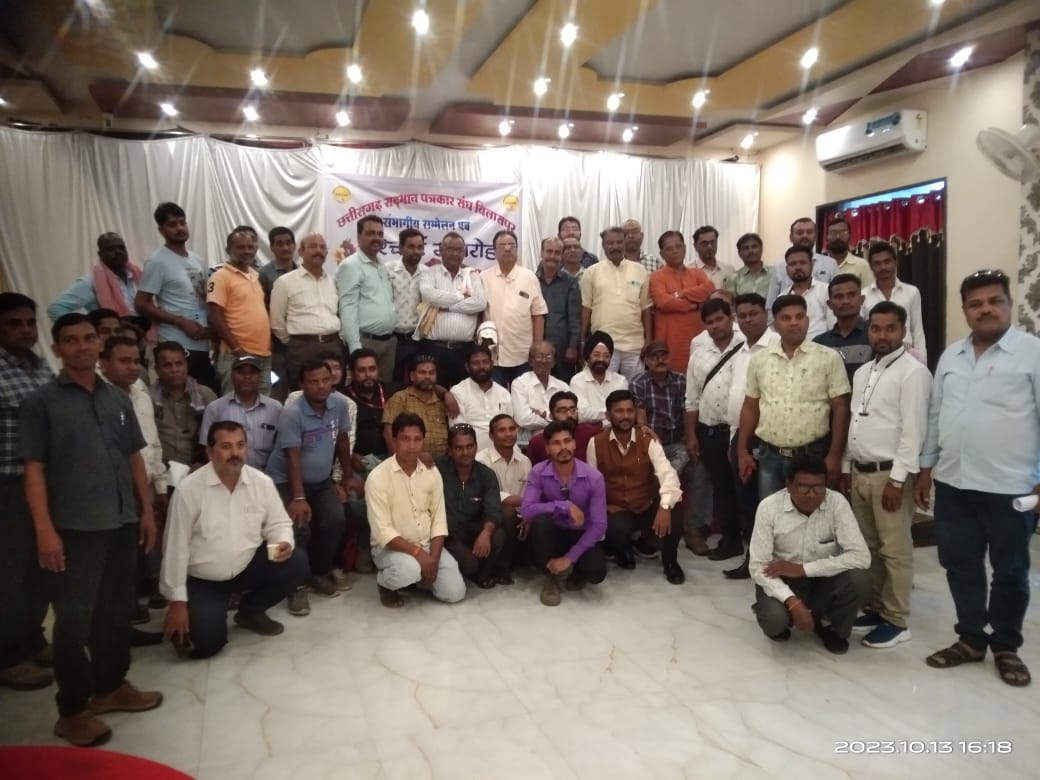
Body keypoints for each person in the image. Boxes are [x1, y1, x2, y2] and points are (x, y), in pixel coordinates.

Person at [20, 313, 161, 747]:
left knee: (115, 611)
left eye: (88, 338)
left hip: (121, 521)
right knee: (74, 621)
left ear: (99, 344)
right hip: (75, 528)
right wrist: (44, 531)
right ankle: (73, 709)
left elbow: (134, 457)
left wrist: (146, 511)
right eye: (71, 340)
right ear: (57, 348)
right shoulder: (41, 403)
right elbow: (34, 470)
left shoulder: (117, 398)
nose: (82, 346)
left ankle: (111, 687)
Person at [916, 269, 1040, 687]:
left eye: (994, 301)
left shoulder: (1032, 353)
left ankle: (1005, 645)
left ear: (1009, 303)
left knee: (1011, 570)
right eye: (975, 304)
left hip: (1012, 487)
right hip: (954, 484)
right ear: (965, 310)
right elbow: (936, 415)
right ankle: (970, 639)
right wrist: (926, 468)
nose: (985, 309)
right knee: (960, 565)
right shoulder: (952, 356)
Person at [160, 422, 308, 658]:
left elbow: (279, 523)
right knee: (207, 644)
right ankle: (200, 613)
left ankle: (250, 611)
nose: (235, 453)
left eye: (240, 445)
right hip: (204, 579)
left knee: (297, 562)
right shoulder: (189, 490)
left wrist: (283, 541)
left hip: (245, 565)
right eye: (226, 447)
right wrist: (176, 602)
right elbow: (174, 548)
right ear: (210, 452)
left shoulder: (261, 482)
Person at [842, 302, 931, 649]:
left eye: (890, 328)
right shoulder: (864, 371)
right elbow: (855, 422)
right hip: (861, 472)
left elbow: (913, 432)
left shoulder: (913, 373)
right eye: (875, 328)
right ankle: (878, 608)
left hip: (889, 476)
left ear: (903, 330)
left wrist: (897, 480)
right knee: (870, 548)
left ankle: (897, 619)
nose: (882, 335)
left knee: (895, 550)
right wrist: (847, 468)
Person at [749, 454, 870, 654]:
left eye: (819, 487)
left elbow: (861, 557)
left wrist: (804, 569)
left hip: (823, 579)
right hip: (783, 578)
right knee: (775, 621)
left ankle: (831, 627)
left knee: (860, 579)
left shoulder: (837, 502)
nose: (812, 494)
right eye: (804, 487)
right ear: (788, 486)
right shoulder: (769, 508)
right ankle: (778, 612)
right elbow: (758, 567)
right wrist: (792, 602)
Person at [265, 360, 359, 616]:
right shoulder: (292, 414)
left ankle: (317, 572)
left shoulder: (339, 404)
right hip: (286, 481)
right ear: (302, 384)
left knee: (336, 519)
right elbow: (292, 457)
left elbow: (342, 441)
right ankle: (295, 585)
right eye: (314, 382)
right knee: (299, 526)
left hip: (321, 481)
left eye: (325, 380)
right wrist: (298, 497)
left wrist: (347, 477)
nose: (321, 386)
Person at [737, 295, 851, 500]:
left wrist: (835, 456)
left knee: (813, 514)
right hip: (770, 457)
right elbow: (750, 407)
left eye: (799, 316)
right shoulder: (760, 360)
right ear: (775, 324)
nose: (793, 322)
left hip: (813, 456)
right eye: (786, 318)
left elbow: (841, 409)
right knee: (772, 514)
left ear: (807, 320)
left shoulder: (828, 358)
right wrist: (742, 451)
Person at [0, 293, 54, 691]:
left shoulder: (41, 368)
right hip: (7, 484)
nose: (25, 330)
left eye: (30, 322)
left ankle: (32, 638)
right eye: (14, 323)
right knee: (9, 573)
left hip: (45, 483)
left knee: (41, 568)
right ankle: (8, 656)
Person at [365, 413, 466, 608]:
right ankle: (386, 584)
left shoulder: (431, 472)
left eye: (417, 439)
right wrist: (419, 555)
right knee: (408, 569)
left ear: (423, 440)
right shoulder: (378, 477)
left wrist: (433, 559)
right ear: (394, 440)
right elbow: (383, 531)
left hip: (427, 544)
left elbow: (439, 519)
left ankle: (417, 577)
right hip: (391, 548)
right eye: (405, 439)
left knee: (455, 593)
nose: (412, 446)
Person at [587, 391, 685, 584]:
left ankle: (670, 561)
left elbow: (668, 475)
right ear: (608, 415)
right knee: (616, 529)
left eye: (629, 411)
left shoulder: (648, 439)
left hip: (645, 504)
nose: (625, 416)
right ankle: (622, 549)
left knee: (674, 505)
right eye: (619, 411)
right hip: (617, 509)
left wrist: (665, 507)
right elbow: (592, 485)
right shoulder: (595, 443)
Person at [521, 421, 608, 606]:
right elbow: (526, 510)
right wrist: (563, 506)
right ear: (547, 448)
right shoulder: (538, 472)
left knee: (596, 572)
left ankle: (576, 569)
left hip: (581, 534)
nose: (563, 448)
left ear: (574, 444)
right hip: (554, 533)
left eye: (567, 441)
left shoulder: (594, 477)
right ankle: (549, 578)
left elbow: (600, 525)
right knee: (540, 522)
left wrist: (569, 558)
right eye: (556, 443)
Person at [724, 293, 780, 579]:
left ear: (765, 314)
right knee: (746, 502)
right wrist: (735, 441)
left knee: (767, 504)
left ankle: (769, 563)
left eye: (753, 314)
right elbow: (739, 397)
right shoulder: (740, 350)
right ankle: (753, 559)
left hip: (767, 437)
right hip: (742, 436)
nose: (747, 320)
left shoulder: (777, 346)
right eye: (742, 315)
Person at [684, 300, 745, 562]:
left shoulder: (747, 348)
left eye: (720, 319)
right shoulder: (699, 354)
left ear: (731, 318)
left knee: (744, 486)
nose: (715, 325)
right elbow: (692, 399)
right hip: (710, 431)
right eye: (709, 322)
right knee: (721, 487)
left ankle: (751, 539)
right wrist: (691, 435)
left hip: (741, 431)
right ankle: (730, 539)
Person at [135, 202, 218, 393]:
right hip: (176, 344)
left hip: (202, 342)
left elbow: (202, 298)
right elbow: (141, 304)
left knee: (207, 396)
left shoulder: (197, 259)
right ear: (161, 230)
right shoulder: (157, 261)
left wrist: (212, 331)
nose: (180, 228)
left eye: (182, 222)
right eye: (172, 224)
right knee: (180, 397)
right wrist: (180, 321)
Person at [436, 424, 513, 588]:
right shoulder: (438, 468)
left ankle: (483, 574)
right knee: (470, 565)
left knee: (497, 534)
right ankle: (471, 569)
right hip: (447, 533)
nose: (465, 452)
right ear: (450, 450)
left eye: (469, 446)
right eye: (459, 448)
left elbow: (493, 509)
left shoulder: (486, 474)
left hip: (471, 527)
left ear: (476, 446)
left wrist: (486, 532)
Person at [269, 232, 343, 396]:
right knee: (302, 395)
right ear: (301, 252)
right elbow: (276, 322)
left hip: (333, 345)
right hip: (302, 347)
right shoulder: (285, 282)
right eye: (313, 246)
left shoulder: (333, 281)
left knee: (333, 394)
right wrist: (294, 343)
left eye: (322, 247)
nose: (318, 251)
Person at [579, 226, 651, 380]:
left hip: (634, 345)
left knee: (634, 389)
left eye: (619, 242)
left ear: (625, 243)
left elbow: (646, 309)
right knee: (603, 387)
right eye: (610, 243)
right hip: (603, 345)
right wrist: (582, 340)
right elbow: (586, 308)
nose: (615, 246)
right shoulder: (591, 272)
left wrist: (648, 340)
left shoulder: (640, 270)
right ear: (603, 245)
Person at [416, 231, 486, 389]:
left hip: (464, 350)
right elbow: (430, 295)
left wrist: (447, 306)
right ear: (440, 250)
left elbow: (480, 303)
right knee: (432, 393)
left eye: (459, 249)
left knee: (463, 395)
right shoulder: (429, 272)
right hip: (434, 348)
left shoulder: (472, 275)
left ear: (464, 252)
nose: (454, 253)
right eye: (450, 249)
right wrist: (463, 297)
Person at [207, 228, 272, 394]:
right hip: (235, 354)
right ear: (228, 249)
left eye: (250, 247)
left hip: (263, 355)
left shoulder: (256, 276)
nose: (246, 251)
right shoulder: (220, 276)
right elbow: (215, 316)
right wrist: (237, 350)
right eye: (240, 247)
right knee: (234, 404)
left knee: (264, 404)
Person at [483, 230, 548, 386]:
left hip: (522, 353)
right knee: (496, 396)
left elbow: (538, 314)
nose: (507, 248)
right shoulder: (484, 277)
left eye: (511, 245)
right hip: (492, 353)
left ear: (517, 249)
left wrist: (537, 347)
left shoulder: (529, 277)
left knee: (523, 395)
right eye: (502, 245)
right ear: (494, 250)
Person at [337, 215, 397, 381]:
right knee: (362, 390)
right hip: (366, 343)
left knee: (384, 391)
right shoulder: (351, 265)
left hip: (388, 342)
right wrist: (356, 349)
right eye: (371, 233)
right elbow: (347, 308)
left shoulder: (381, 265)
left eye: (379, 233)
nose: (376, 237)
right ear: (359, 237)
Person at [199, 355, 283, 470]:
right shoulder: (215, 408)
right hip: (226, 474)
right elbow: (207, 448)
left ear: (260, 376)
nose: (247, 377)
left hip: (265, 476)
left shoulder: (276, 409)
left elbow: (281, 450)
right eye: (241, 372)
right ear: (232, 376)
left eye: (252, 373)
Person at [649, 230, 715, 373]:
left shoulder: (697, 273)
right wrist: (696, 305)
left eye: (678, 246)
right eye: (669, 248)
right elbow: (664, 302)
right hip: (670, 341)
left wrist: (682, 293)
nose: (675, 251)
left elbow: (709, 288)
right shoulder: (656, 276)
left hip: (699, 338)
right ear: (662, 254)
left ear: (685, 248)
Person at [150, 341, 217, 467]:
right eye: (167, 365)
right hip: (159, 468)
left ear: (186, 365)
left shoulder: (205, 395)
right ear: (157, 370)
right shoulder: (148, 398)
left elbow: (217, 436)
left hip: (199, 468)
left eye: (179, 363)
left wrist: (202, 463)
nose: (174, 369)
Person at [48, 233, 142, 322]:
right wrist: (87, 326)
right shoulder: (91, 281)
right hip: (112, 333)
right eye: (111, 249)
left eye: (121, 248)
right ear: (100, 254)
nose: (118, 252)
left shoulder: (138, 275)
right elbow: (56, 308)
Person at [861, 241, 927, 363]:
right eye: (877, 263)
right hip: (876, 355)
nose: (883, 267)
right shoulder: (863, 295)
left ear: (895, 262)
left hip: (907, 355)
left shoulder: (912, 292)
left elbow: (917, 330)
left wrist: (922, 360)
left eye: (887, 261)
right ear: (871, 267)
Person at [765, 218, 839, 310]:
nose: (805, 236)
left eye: (809, 232)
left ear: (815, 236)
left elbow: (837, 297)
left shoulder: (830, 263)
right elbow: (771, 305)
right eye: (800, 232)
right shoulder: (779, 267)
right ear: (791, 237)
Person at [382, 354, 449, 457]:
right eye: (422, 372)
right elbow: (388, 434)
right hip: (409, 461)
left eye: (431, 373)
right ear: (412, 376)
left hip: (442, 462)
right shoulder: (400, 398)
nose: (427, 377)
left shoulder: (442, 402)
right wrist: (403, 461)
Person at [536, 237, 581, 382]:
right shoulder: (531, 280)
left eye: (557, 253)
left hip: (562, 350)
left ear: (562, 255)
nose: (552, 256)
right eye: (549, 251)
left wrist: (572, 347)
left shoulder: (570, 283)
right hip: (535, 348)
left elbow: (575, 318)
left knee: (562, 387)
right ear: (541, 253)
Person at [813, 273, 872, 382]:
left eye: (851, 295)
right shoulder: (819, 343)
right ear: (829, 304)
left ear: (862, 300)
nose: (846, 301)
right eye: (839, 297)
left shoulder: (874, 337)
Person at [510, 341, 569, 447]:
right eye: (539, 356)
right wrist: (557, 418)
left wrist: (543, 414)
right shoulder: (519, 384)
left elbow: (571, 416)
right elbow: (523, 419)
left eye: (548, 357)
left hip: (561, 441)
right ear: (530, 361)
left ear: (554, 362)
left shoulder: (563, 387)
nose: (544, 360)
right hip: (530, 443)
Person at [476, 414, 532, 524]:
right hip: (488, 518)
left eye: (512, 429)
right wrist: (525, 501)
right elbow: (487, 495)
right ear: (491, 436)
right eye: (502, 430)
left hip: (520, 515)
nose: (508, 434)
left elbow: (528, 493)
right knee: (508, 513)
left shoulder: (525, 461)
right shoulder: (480, 461)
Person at [386, 227, 426, 381]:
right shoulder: (387, 270)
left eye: (420, 247)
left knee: (418, 383)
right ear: (400, 248)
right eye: (411, 246)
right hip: (394, 339)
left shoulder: (428, 273)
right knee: (393, 382)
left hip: (419, 340)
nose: (416, 251)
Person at [525, 390, 602, 464]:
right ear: (551, 415)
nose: (569, 415)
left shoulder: (594, 434)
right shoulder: (538, 443)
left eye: (573, 410)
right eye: (562, 410)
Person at [570, 331, 628, 426]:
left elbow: (623, 413)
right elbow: (581, 414)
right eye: (596, 355)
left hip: (616, 431)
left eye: (606, 356)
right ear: (588, 357)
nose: (601, 359)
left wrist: (598, 419)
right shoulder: (577, 381)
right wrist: (611, 414)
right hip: (589, 432)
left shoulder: (620, 381)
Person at [778, 246, 831, 340]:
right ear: (787, 269)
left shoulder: (826, 291)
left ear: (811, 265)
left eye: (802, 262)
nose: (798, 267)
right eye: (793, 264)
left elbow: (833, 325)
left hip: (822, 346)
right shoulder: (781, 298)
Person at [824, 218, 873, 285]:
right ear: (826, 237)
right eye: (833, 232)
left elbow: (869, 291)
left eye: (843, 232)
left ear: (850, 236)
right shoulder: (818, 265)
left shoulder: (862, 265)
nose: (838, 236)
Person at [724, 233, 771, 299]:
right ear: (739, 253)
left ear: (761, 249)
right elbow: (731, 303)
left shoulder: (774, 273)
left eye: (754, 247)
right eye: (746, 248)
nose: (750, 251)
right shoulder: (733, 279)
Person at [259, 226, 297, 307]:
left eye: (288, 243)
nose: (285, 248)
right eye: (280, 244)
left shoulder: (302, 271)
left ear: (294, 245)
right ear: (271, 247)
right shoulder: (263, 274)